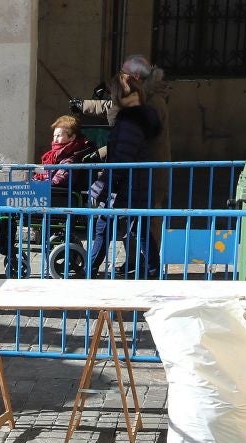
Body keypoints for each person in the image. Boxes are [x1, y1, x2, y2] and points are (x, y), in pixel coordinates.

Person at [88, 55, 165, 277]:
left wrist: (101, 187)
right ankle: (151, 271)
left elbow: (122, 157)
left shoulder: (131, 121)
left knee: (108, 227)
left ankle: (91, 271)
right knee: (137, 229)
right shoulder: (138, 117)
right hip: (133, 184)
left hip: (126, 185)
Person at [33, 112, 90, 190]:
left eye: (59, 135)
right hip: (46, 194)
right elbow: (38, 175)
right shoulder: (51, 156)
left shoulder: (72, 159)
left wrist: (35, 185)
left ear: (72, 137)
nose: (55, 139)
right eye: (54, 135)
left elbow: (58, 182)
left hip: (58, 197)